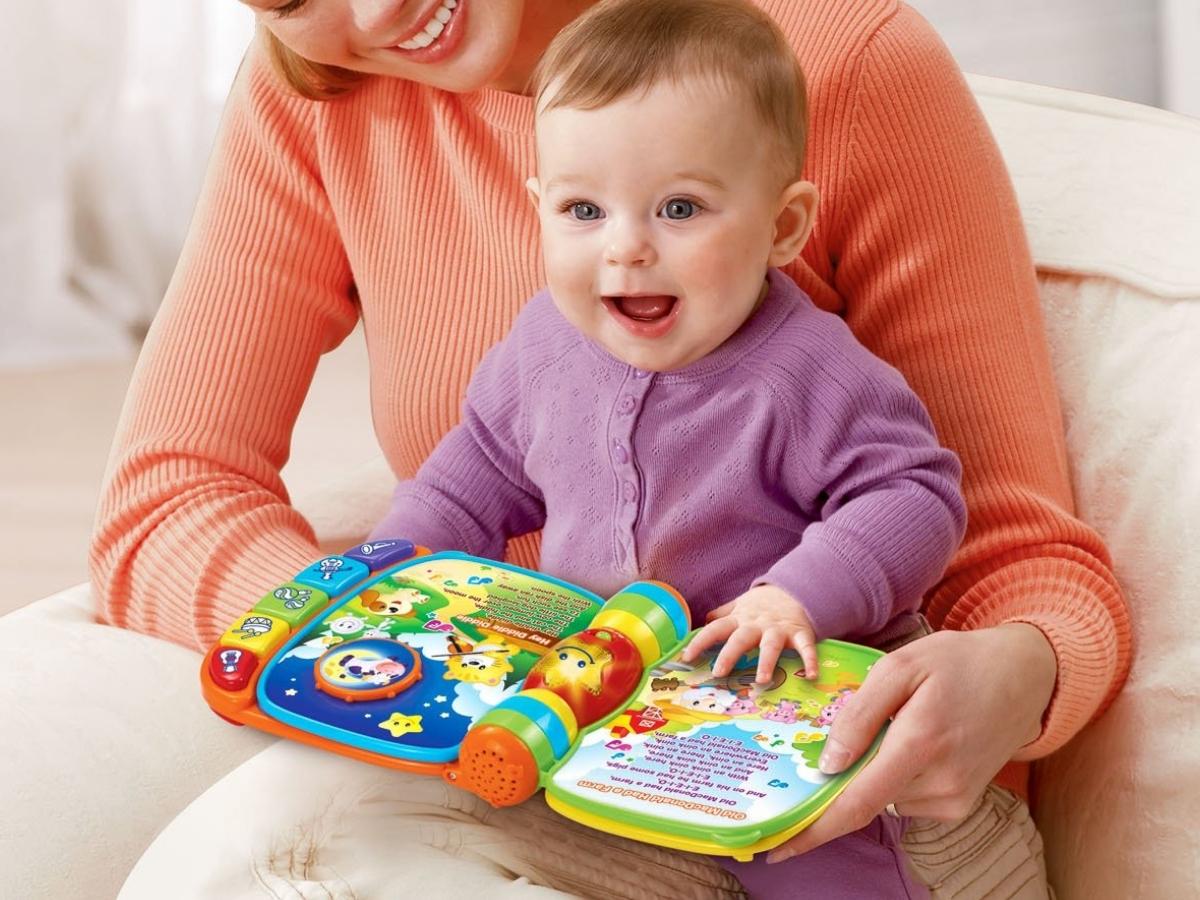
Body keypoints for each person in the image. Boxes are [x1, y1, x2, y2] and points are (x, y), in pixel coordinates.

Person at [90, 0, 1131, 895]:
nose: (370, 18)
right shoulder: (340, 120)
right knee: (263, 847)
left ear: (785, 224)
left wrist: (1015, 668)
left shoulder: (842, 89)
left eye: (681, 209)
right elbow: (414, 481)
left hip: (801, 757)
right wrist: (389, 631)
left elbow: (971, 528)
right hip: (556, 749)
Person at [367, 5, 966, 892]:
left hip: (772, 709)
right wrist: (399, 568)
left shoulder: (810, 372)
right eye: (582, 209)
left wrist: (797, 596)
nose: (627, 247)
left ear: (784, 227)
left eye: (679, 208)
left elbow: (916, 496)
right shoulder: (541, 346)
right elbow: (476, 475)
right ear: (538, 210)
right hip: (598, 704)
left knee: (817, 854)